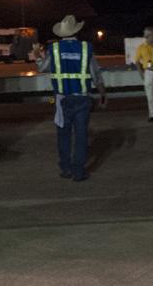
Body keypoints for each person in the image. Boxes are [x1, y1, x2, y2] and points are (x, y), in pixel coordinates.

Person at [37, 14, 106, 182]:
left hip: (61, 99)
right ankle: (78, 171)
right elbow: (95, 73)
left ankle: (66, 168)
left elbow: (41, 68)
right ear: (77, 31)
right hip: (83, 98)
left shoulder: (53, 49)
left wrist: (37, 55)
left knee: (63, 134)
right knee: (81, 135)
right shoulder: (85, 48)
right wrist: (103, 93)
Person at [134, 27, 153, 122]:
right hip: (149, 72)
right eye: (147, 35)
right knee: (150, 94)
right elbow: (137, 61)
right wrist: (141, 74)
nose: (148, 37)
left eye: (149, 35)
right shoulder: (141, 47)